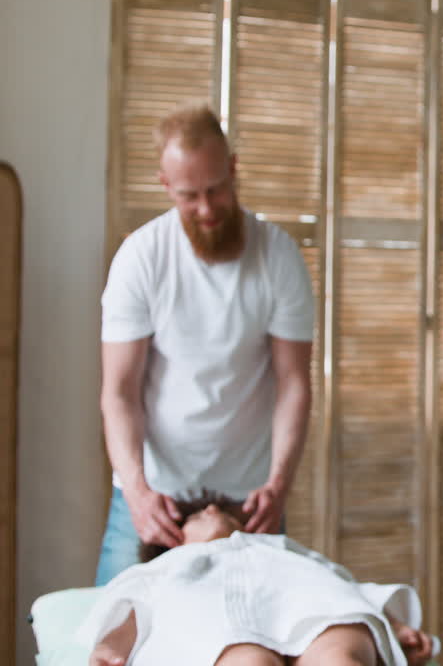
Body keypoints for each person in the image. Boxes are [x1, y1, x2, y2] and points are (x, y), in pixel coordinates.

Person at [95, 104, 315, 586]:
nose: (207, 209)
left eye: (216, 189)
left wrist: (279, 483)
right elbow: (119, 391)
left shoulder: (278, 257)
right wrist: (136, 492)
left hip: (252, 498)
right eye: (189, 196)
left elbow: (294, 383)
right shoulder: (141, 258)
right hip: (153, 495)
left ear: (233, 168)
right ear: (165, 185)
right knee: (109, 638)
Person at [79, 492, 440, 666]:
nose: (210, 510)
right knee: (248, 663)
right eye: (199, 515)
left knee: (340, 657)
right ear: (172, 540)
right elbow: (133, 602)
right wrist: (113, 645)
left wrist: (395, 626)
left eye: (220, 510)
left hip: (314, 614)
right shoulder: (169, 565)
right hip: (224, 627)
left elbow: (344, 584)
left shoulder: (280, 546)